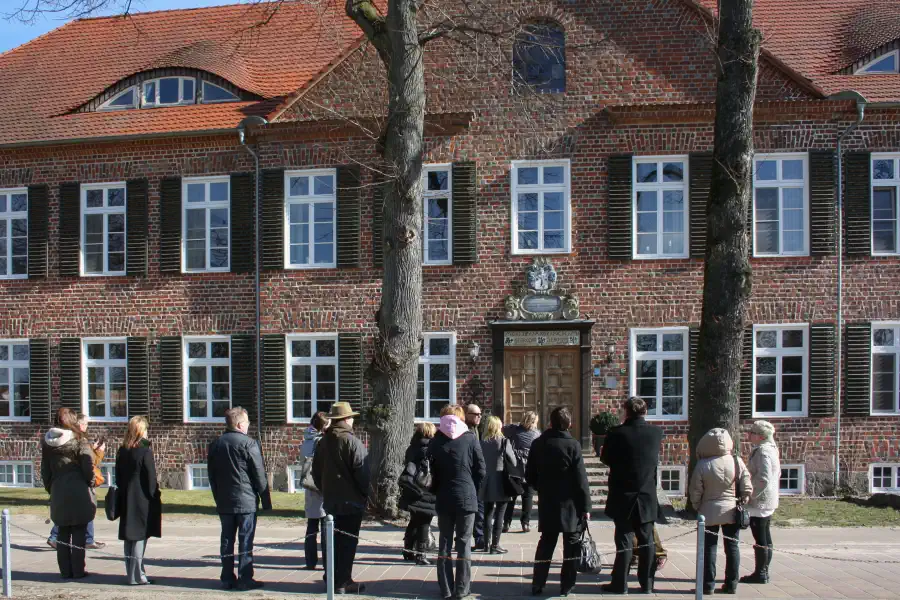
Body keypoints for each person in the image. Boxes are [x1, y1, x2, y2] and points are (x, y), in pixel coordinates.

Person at [600, 397, 662, 594]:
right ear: (644, 412)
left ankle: (620, 583)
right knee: (647, 540)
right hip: (646, 493)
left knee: (624, 539)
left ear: (626, 412)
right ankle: (647, 583)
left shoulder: (616, 433)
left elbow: (606, 458)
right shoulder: (655, 433)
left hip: (623, 493)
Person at [527, 407, 591, 598]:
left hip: (548, 501)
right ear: (569, 424)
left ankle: (538, 583)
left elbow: (529, 474)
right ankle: (567, 585)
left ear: (550, 423)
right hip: (570, 503)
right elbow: (581, 479)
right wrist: (586, 506)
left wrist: (541, 487)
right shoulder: (573, 445)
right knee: (571, 545)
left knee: (546, 543)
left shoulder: (539, 443)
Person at [207, 407, 269, 591]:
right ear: (241, 424)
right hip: (246, 500)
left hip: (225, 500)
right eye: (248, 422)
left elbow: (212, 475)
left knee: (226, 540)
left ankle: (227, 577)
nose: (249, 425)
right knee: (245, 540)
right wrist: (265, 500)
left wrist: (217, 496)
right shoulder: (249, 444)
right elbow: (259, 474)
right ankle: (245, 578)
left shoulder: (216, 444)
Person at [312, 402, 369, 595]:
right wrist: (364, 495)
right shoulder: (352, 442)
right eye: (351, 417)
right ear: (346, 420)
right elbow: (362, 473)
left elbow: (316, 472)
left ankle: (331, 578)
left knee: (331, 541)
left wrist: (325, 489)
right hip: (351, 501)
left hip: (330, 499)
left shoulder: (322, 442)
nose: (353, 420)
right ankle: (343, 581)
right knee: (347, 543)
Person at [431, 404, 485, 600]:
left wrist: (437, 488)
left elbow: (433, 472)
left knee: (444, 542)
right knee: (463, 543)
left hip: (444, 496)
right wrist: (473, 488)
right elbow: (481, 469)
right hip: (466, 496)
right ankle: (462, 589)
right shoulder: (470, 438)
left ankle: (446, 588)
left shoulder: (436, 440)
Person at [689, 427, 752, 595]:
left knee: (709, 548)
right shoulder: (736, 461)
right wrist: (744, 497)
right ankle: (731, 584)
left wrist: (697, 506)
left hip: (709, 509)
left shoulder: (703, 464)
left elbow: (695, 489)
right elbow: (746, 481)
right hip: (732, 508)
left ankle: (707, 585)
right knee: (732, 547)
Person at [41, 407, 97, 579]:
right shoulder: (79, 440)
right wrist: (91, 481)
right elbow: (88, 467)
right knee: (79, 531)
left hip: (58, 488)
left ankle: (65, 571)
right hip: (78, 489)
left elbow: (45, 470)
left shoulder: (48, 442)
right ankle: (78, 570)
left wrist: (51, 487)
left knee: (63, 532)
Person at [48, 413, 106, 550]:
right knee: (81, 511)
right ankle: (83, 540)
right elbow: (89, 463)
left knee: (68, 513)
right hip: (79, 484)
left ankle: (86, 538)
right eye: (85, 423)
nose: (86, 426)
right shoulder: (79, 440)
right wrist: (99, 453)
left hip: (64, 485)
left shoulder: (56, 442)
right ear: (78, 424)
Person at [114, 416, 161, 585]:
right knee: (139, 536)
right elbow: (150, 478)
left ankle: (133, 573)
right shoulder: (145, 450)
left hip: (127, 496)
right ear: (142, 431)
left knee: (129, 537)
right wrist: (153, 495)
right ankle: (137, 576)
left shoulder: (122, 450)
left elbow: (118, 477)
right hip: (141, 498)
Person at [740, 420, 780, 585]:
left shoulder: (764, 451)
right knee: (765, 537)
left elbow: (763, 478)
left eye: (752, 433)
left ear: (761, 436)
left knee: (761, 538)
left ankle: (761, 573)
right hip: (766, 500)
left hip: (761, 502)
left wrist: (750, 493)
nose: (749, 435)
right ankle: (762, 571)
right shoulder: (768, 449)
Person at [399, 422, 437, 565]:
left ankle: (408, 550)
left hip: (412, 488)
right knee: (424, 522)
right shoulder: (429, 449)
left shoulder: (412, 447)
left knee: (414, 521)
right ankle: (421, 555)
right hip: (425, 490)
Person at [479, 416, 517, 554]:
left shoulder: (481, 442)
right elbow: (513, 461)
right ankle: (495, 545)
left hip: (486, 480)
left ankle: (486, 544)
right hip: (501, 480)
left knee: (487, 514)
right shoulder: (503, 442)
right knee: (500, 514)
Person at [502, 411, 540, 533]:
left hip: (514, 467)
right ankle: (525, 523)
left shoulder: (514, 430)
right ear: (534, 422)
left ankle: (506, 522)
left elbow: (503, 429)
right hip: (530, 467)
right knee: (528, 496)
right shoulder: (536, 434)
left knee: (511, 496)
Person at [300, 411, 330, 570]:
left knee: (311, 526)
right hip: (321, 485)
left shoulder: (306, 440)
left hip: (309, 486)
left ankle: (310, 560)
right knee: (326, 525)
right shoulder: (322, 442)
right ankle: (327, 561)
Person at [464, 403, 485, 551]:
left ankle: (480, 539)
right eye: (476, 414)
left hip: (478, 475)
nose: (479, 417)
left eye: (480, 414)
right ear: (467, 415)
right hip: (469, 475)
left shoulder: (478, 430)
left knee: (480, 509)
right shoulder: (465, 431)